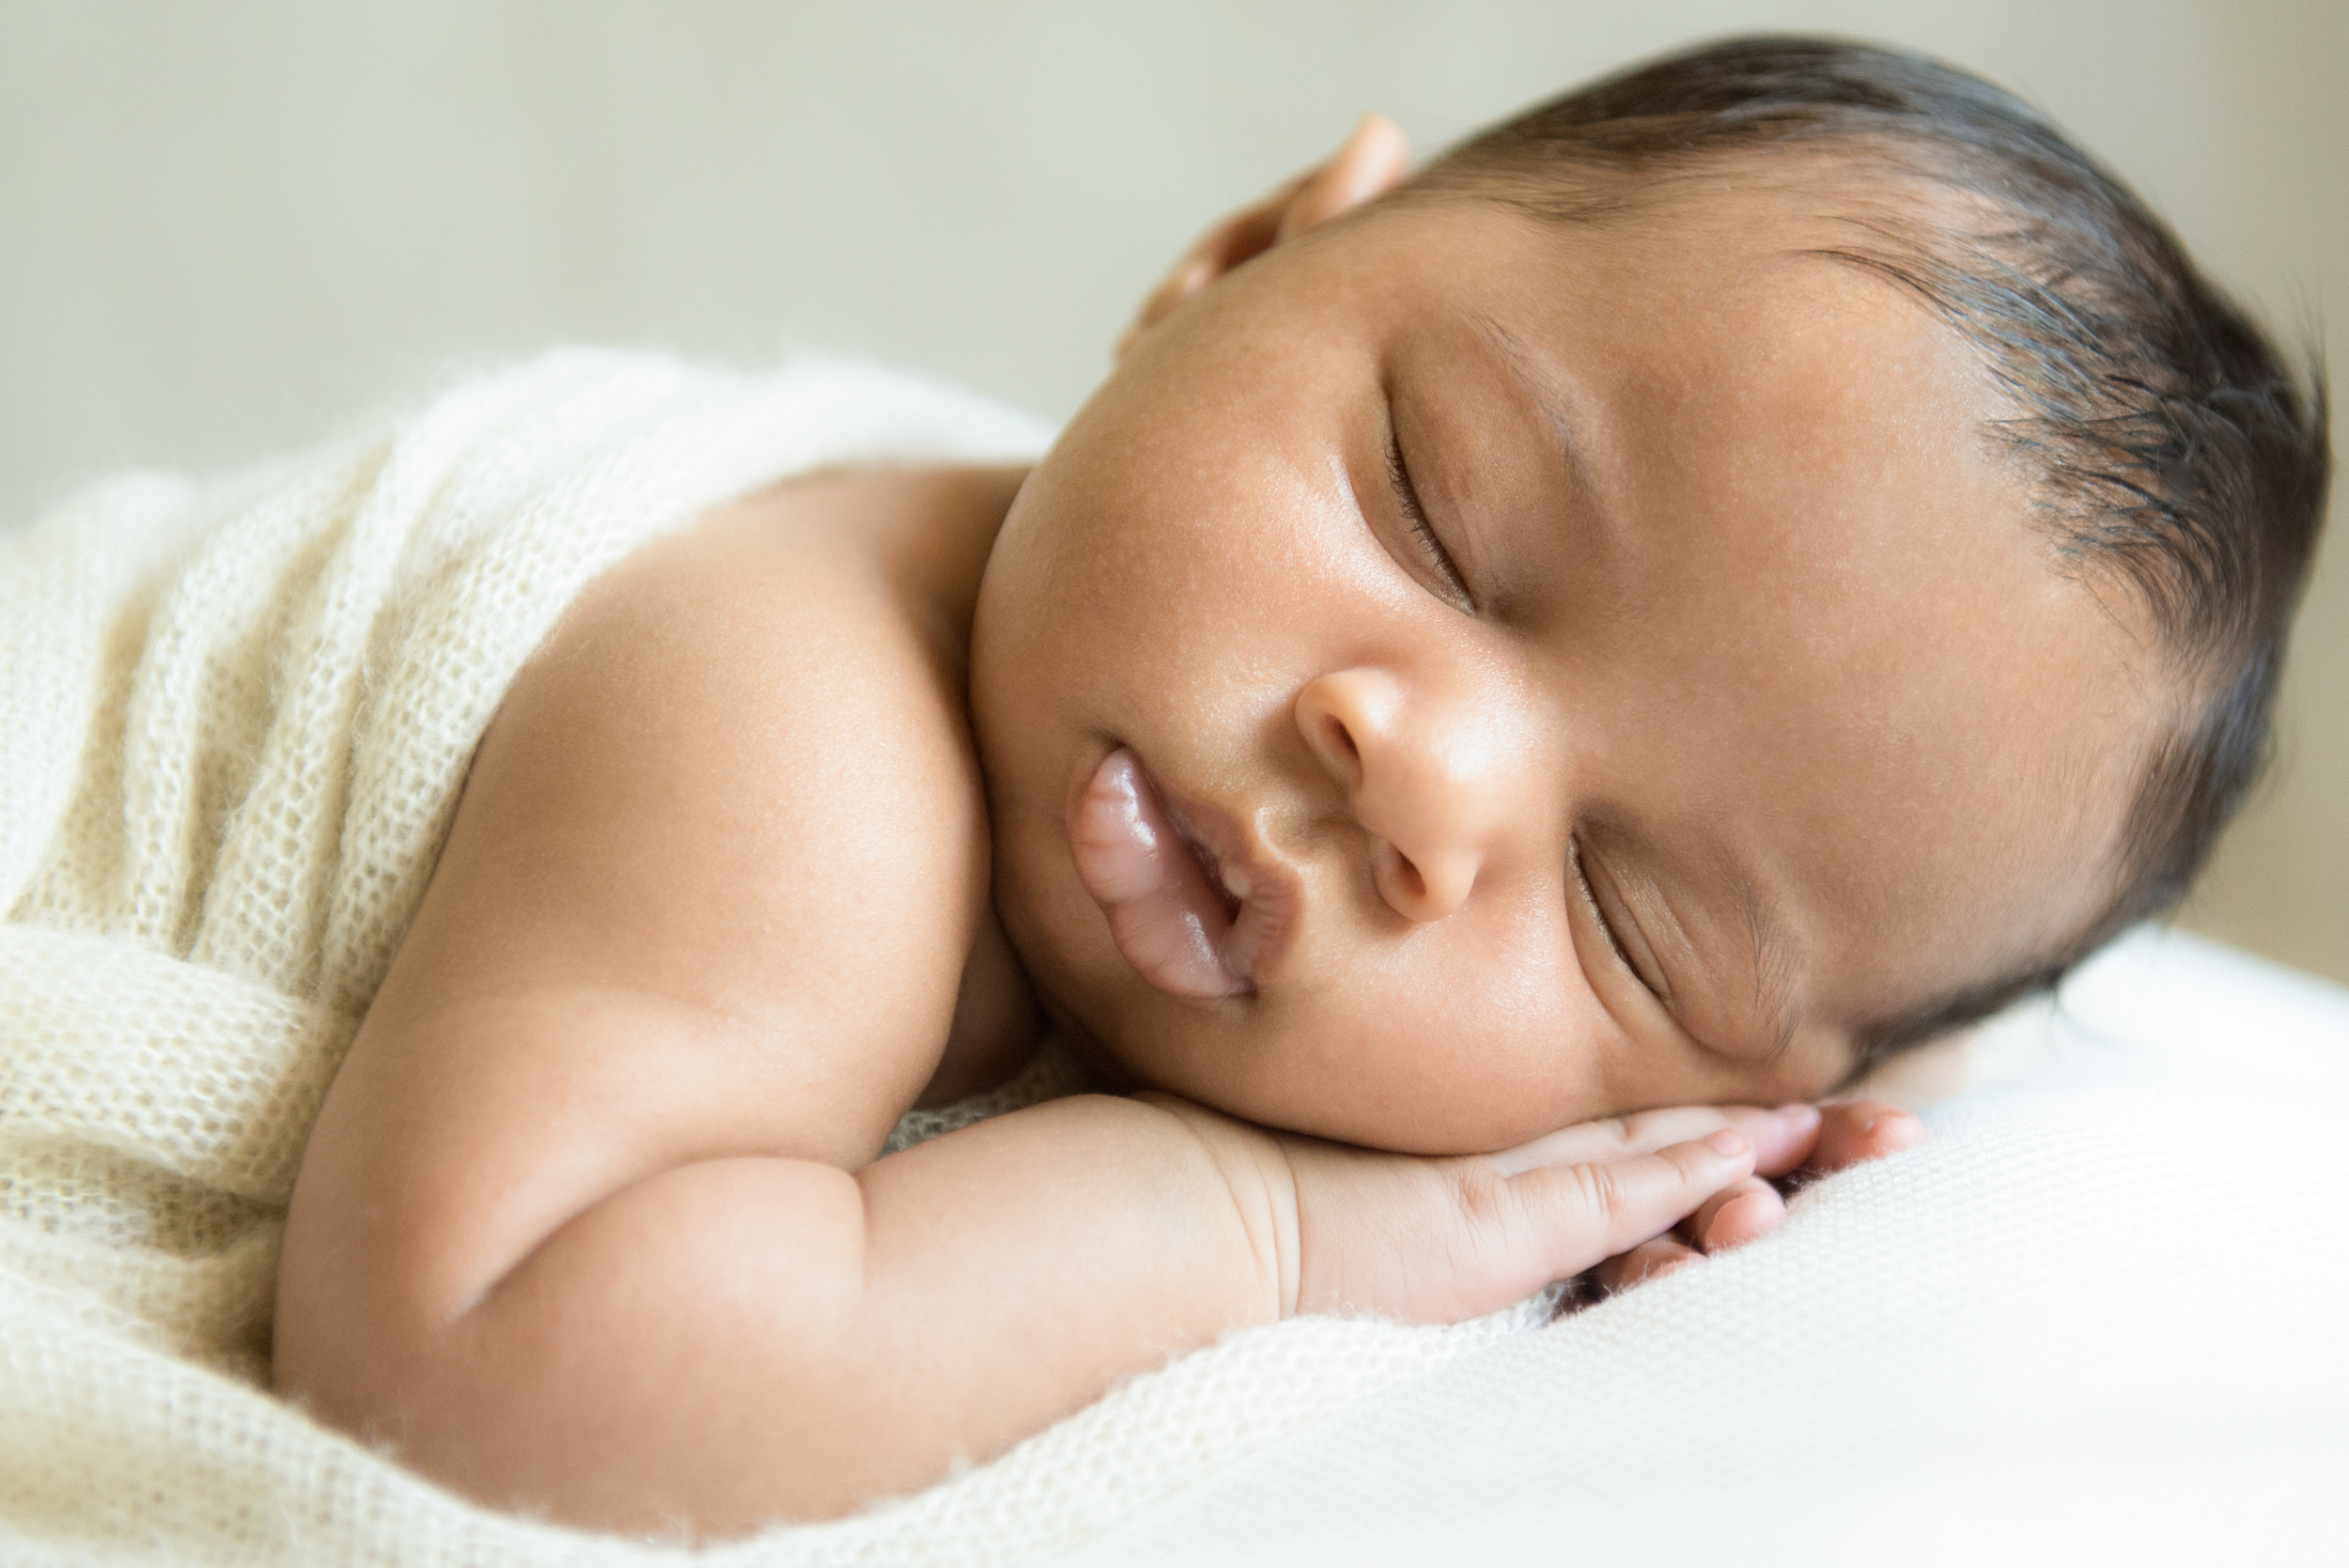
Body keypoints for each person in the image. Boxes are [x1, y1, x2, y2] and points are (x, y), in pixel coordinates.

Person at [268, 37, 2329, 1538]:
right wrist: (1252, 1227)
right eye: (1435, 515)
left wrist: (1726, 1151)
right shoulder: (795, 712)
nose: (1414, 780)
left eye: (1629, 920)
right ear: (1239, 253)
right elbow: (479, 1358)